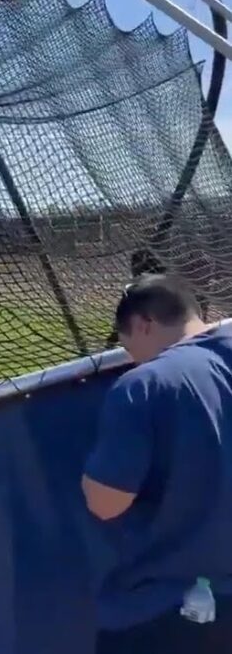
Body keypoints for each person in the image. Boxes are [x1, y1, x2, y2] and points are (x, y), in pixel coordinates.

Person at [82, 274, 232, 653]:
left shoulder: (144, 384)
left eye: (127, 342)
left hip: (165, 611)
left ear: (143, 324)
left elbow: (106, 502)